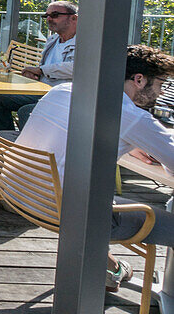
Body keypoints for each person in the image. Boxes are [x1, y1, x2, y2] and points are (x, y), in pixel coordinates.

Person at [16, 44, 174, 293]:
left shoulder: (64, 90)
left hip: (21, 195)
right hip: (66, 213)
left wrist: (133, 146)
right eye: (161, 83)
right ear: (140, 79)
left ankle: (109, 269)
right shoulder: (131, 116)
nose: (161, 91)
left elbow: (80, 132)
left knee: (94, 196)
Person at [0, 1, 77, 132]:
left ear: (74, 18)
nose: (49, 19)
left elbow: (76, 68)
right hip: (41, 91)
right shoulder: (53, 41)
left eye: (55, 15)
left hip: (64, 97)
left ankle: (29, 150)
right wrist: (36, 74)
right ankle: (4, 145)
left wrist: (41, 70)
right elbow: (47, 67)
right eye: (46, 16)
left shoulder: (85, 42)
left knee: (27, 111)